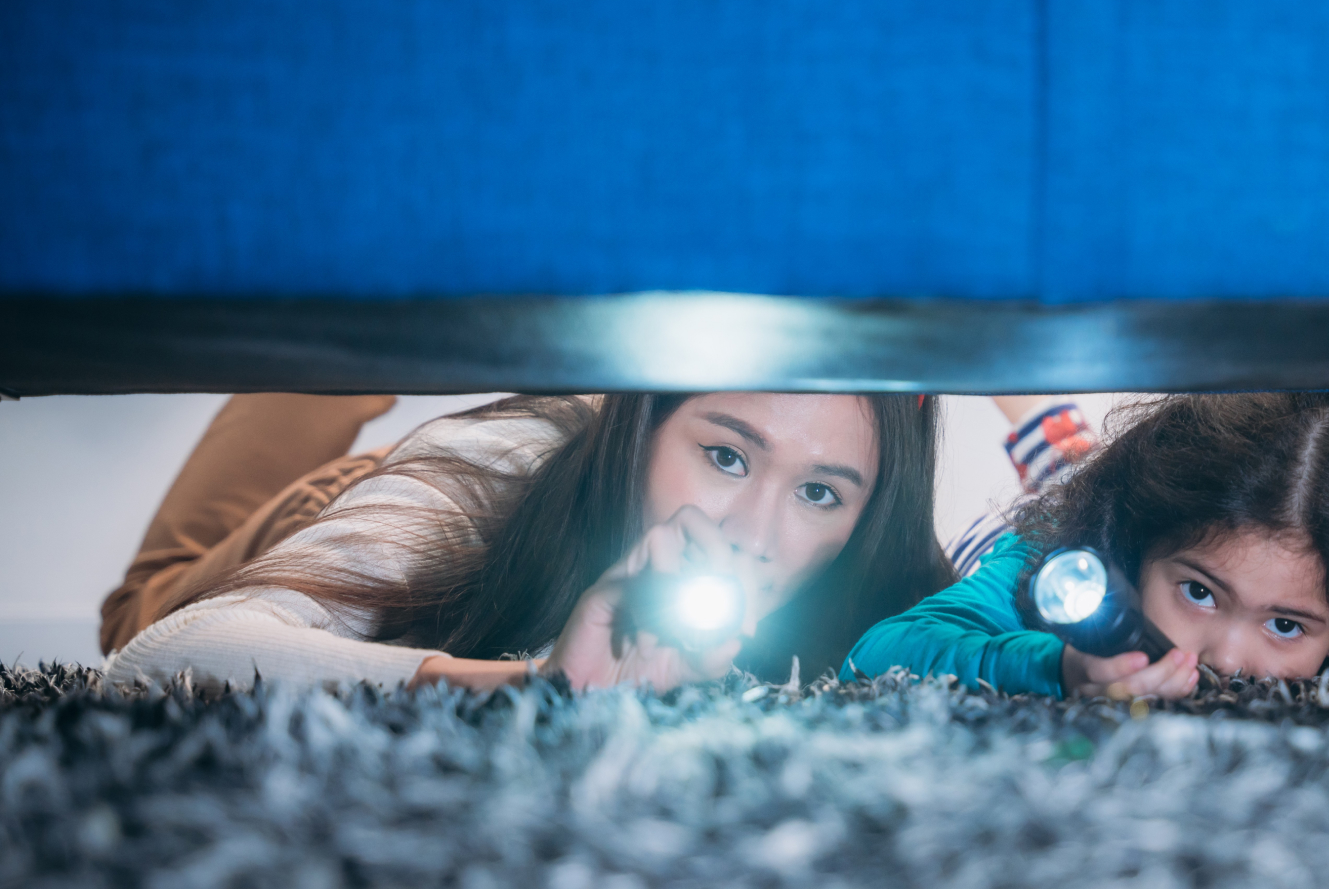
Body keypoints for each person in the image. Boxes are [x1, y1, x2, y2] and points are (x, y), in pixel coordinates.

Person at [102, 392, 950, 692]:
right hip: (366, 520)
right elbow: (160, 655)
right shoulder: (501, 466)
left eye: (818, 493)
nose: (754, 537)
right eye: (726, 456)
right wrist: (531, 686)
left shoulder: (880, 594)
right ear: (642, 428)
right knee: (144, 598)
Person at [845, 391, 1329, 699]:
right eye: (1199, 592)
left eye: (1286, 625)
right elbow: (883, 649)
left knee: (1067, 453)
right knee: (1061, 472)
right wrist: (1054, 664)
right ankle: (1036, 413)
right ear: (1134, 551)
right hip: (1043, 510)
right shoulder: (1047, 559)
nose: (1225, 655)